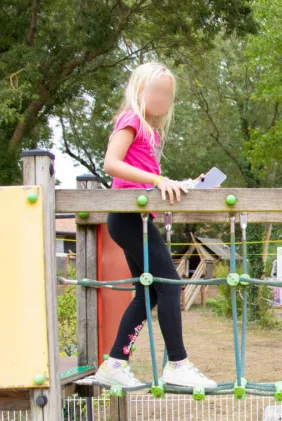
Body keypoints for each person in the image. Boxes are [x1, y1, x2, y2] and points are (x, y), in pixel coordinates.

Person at [95, 62, 216, 390]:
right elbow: (111, 163)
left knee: (148, 292)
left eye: (167, 94)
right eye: (156, 91)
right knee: (170, 284)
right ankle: (177, 363)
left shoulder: (151, 133)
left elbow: (149, 183)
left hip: (135, 219)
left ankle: (115, 363)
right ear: (139, 90)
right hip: (128, 218)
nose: (162, 98)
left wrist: (187, 184)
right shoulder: (131, 120)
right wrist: (158, 179)